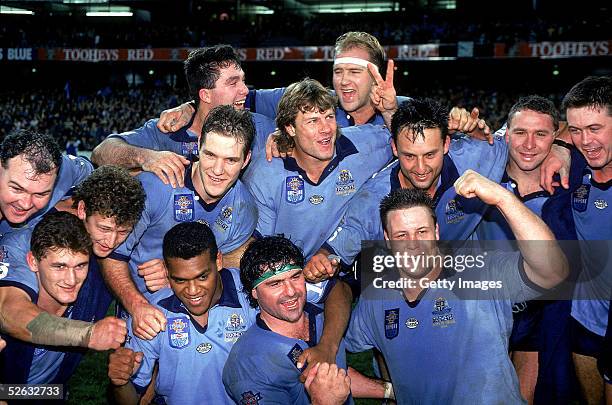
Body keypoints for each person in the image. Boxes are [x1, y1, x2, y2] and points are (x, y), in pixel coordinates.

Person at [345, 177, 569, 404]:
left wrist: (503, 199)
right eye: (401, 235)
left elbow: (552, 272)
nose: (413, 244)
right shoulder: (376, 299)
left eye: (422, 231)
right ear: (387, 240)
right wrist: (386, 390)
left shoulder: (481, 273)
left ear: (436, 231)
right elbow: (341, 349)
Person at [99, 105, 258, 341]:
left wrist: (179, 276)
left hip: (199, 322)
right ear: (198, 148)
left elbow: (228, 265)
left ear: (246, 160)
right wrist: (137, 307)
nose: (217, 170)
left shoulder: (244, 206)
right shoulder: (155, 186)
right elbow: (112, 256)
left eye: (231, 160)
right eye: (210, 155)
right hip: (145, 312)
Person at [305, 97, 507, 280]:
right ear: (394, 148)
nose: (420, 169)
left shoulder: (475, 157)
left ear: (446, 144)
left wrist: (478, 131)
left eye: (429, 155)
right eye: (409, 156)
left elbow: (522, 139)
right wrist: (323, 259)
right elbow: (342, 244)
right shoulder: (373, 199)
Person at [0, 165, 145, 384]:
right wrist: (89, 334)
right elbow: (9, 313)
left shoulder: (106, 249)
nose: (112, 242)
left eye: (123, 231)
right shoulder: (27, 239)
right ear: (82, 210)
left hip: (50, 391)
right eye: (104, 229)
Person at [107, 221, 258, 404]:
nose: (192, 291)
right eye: (180, 280)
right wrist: (120, 381)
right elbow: (130, 400)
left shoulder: (252, 293)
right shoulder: (151, 314)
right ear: (166, 271)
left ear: (218, 261)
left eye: (202, 277)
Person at [91, 45, 276, 188]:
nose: (245, 90)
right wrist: (146, 157)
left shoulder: (260, 127)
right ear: (205, 95)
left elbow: (302, 105)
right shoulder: (168, 130)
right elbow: (102, 152)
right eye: (233, 83)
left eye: (242, 80)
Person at [223, 236, 362, 405]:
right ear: (254, 292)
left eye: (295, 277)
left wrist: (388, 390)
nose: (290, 292)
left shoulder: (326, 319)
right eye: (275, 284)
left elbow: (340, 289)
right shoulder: (247, 364)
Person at [545, 76, 612, 405]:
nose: (586, 141)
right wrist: (560, 144)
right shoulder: (574, 172)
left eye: (595, 128)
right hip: (582, 322)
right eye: (577, 130)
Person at [0, 212, 128, 384]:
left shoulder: (95, 286)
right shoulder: (15, 289)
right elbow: (11, 314)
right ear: (33, 262)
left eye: (80, 266)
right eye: (59, 266)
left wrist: (161, 269)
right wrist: (88, 334)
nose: (71, 280)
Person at [0, 129, 92, 236]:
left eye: (41, 194)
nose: (26, 204)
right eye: (17, 189)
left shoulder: (61, 169)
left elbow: (91, 165)